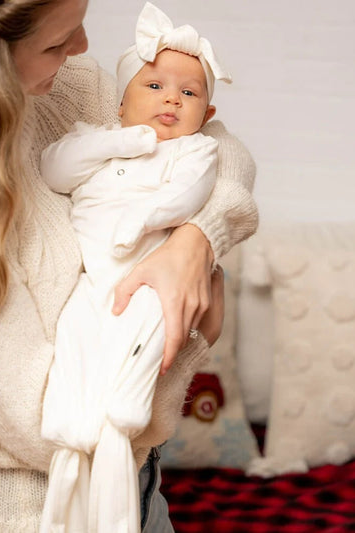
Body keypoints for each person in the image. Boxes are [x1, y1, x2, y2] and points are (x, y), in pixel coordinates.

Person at [0, 0, 258, 532]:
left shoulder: (65, 84)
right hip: (37, 516)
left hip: (139, 485)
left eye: (79, 24)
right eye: (56, 41)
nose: (82, 48)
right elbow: (50, 423)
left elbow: (217, 146)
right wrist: (194, 335)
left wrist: (194, 241)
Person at [39, 4, 232, 532]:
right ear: (120, 102)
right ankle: (72, 422)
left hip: (146, 268)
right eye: (154, 87)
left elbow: (192, 196)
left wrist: (150, 221)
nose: (171, 98)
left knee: (150, 320)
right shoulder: (94, 140)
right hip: (89, 278)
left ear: (207, 115)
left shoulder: (194, 152)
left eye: (189, 94)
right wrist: (121, 141)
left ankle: (125, 408)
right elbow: (54, 170)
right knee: (74, 330)